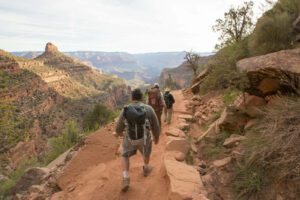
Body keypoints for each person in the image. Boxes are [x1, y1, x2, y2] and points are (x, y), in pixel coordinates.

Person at [115, 88, 160, 192]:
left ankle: (126, 177)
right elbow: (156, 125)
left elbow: (118, 128)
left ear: (132, 98)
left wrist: (122, 134)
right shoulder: (148, 109)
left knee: (125, 155)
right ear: (142, 98)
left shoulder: (125, 109)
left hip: (129, 139)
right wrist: (156, 136)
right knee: (146, 153)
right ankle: (146, 168)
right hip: (144, 138)